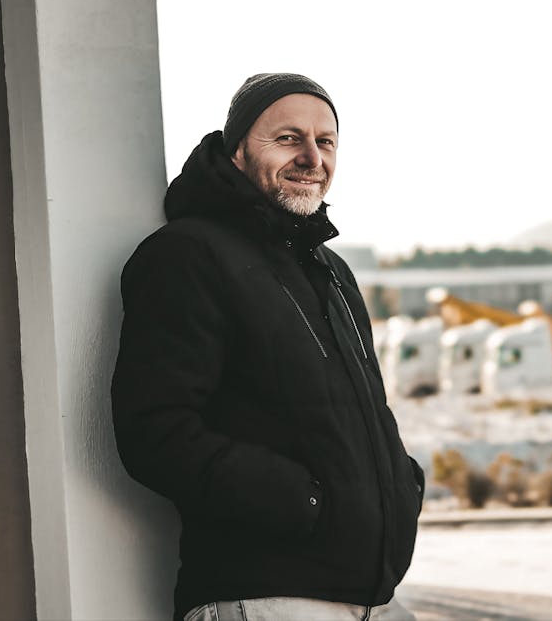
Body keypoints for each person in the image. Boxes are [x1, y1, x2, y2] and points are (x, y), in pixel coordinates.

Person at [111, 73, 423, 621]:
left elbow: (368, 412)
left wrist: (403, 484)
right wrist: (302, 500)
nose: (312, 157)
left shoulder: (330, 270)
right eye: (287, 138)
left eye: (325, 141)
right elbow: (155, 430)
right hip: (262, 598)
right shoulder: (187, 255)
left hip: (372, 598)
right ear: (237, 150)